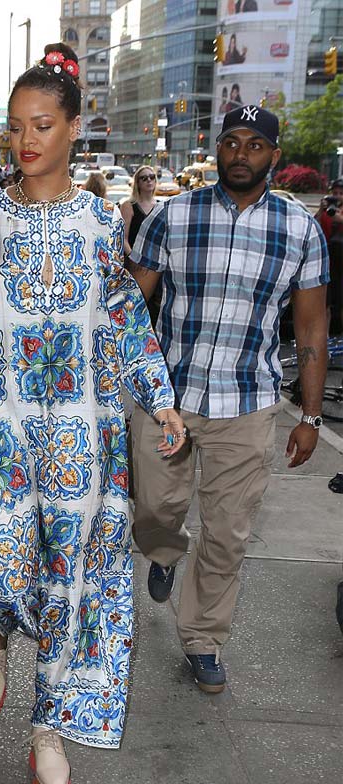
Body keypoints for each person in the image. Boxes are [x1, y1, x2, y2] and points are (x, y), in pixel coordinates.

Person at [0, 41, 185, 784]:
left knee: (70, 579)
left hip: (80, 438)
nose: (26, 139)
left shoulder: (100, 222)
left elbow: (123, 314)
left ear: (73, 129)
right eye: (17, 126)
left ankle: (47, 728)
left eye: (43, 124)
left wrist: (157, 394)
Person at [127, 106, 329, 695]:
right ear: (217, 149)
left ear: (274, 155)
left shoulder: (301, 230)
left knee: (227, 533)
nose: (241, 154)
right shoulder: (171, 215)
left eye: (255, 144)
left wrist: (311, 415)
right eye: (232, 142)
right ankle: (164, 552)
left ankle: (203, 638)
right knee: (154, 510)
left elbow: (311, 326)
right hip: (168, 397)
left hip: (248, 402)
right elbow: (131, 304)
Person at [315, 178, 343, 334]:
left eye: (341, 193)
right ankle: (324, 337)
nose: (337, 196)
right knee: (325, 302)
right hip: (328, 260)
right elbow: (313, 225)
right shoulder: (327, 212)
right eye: (335, 193)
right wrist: (321, 210)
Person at [120, 166, 158, 258]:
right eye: (144, 178)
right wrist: (133, 258)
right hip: (133, 259)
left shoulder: (161, 206)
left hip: (155, 259)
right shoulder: (128, 205)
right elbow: (122, 238)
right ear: (137, 183)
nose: (149, 180)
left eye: (152, 177)